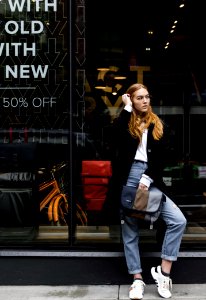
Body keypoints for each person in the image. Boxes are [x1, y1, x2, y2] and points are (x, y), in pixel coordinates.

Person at [107, 83, 187, 299]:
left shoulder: (157, 123)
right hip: (129, 177)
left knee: (178, 220)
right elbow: (112, 139)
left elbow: (164, 156)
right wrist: (124, 109)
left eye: (147, 97)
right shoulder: (125, 123)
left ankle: (164, 273)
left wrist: (147, 177)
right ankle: (137, 279)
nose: (145, 101)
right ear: (131, 100)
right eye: (139, 97)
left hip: (150, 178)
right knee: (130, 229)